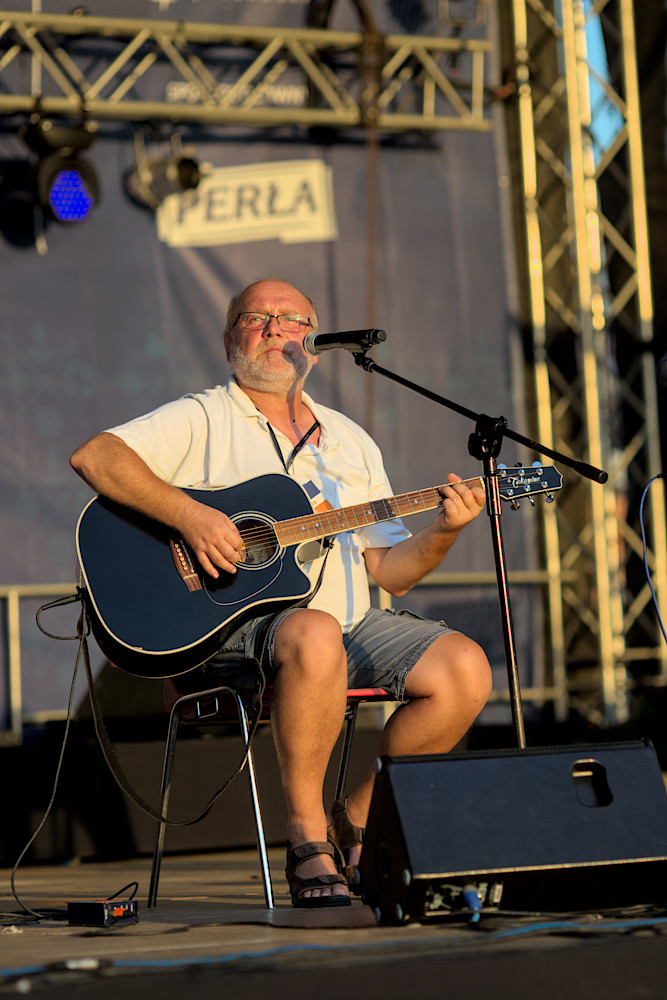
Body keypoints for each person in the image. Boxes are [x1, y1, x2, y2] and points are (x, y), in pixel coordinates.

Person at [70, 277, 492, 908]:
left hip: (349, 626)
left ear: (315, 346)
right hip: (228, 633)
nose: (272, 327)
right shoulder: (204, 414)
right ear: (229, 337)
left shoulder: (350, 441)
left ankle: (359, 817)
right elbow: (95, 457)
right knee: (313, 630)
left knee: (465, 668)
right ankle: (306, 837)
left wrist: (446, 530)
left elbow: (393, 572)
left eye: (290, 319)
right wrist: (190, 516)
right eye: (255, 316)